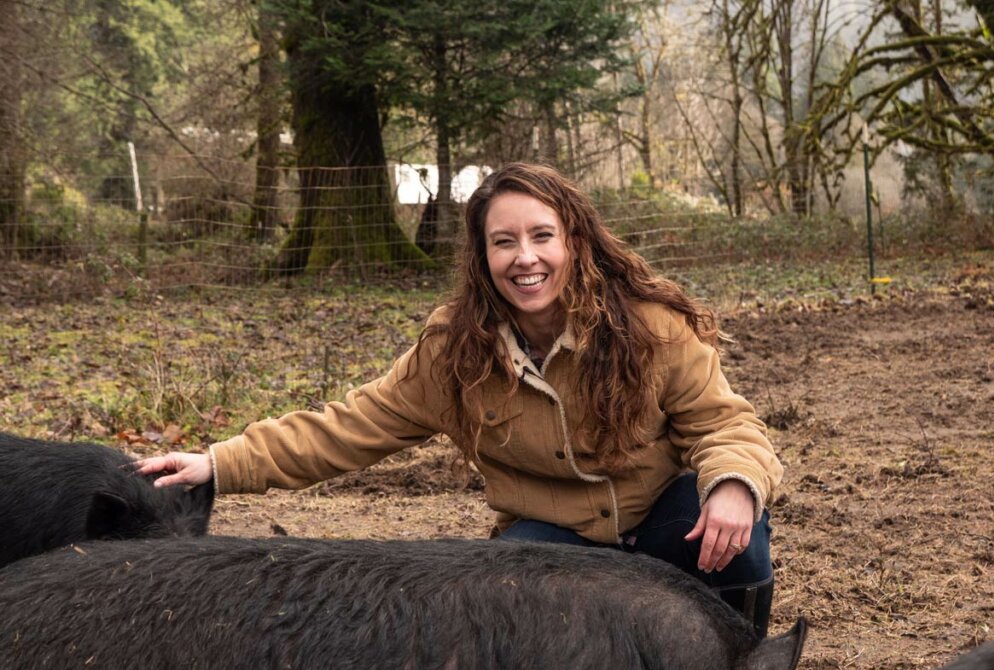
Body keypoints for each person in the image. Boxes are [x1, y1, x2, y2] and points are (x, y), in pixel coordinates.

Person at [138, 163, 783, 637]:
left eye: (541, 236)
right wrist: (219, 463)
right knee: (501, 592)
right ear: (481, 255)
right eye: (504, 242)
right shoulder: (456, 352)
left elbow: (727, 423)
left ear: (574, 243)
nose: (524, 259)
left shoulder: (647, 327)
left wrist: (733, 484)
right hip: (555, 537)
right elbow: (348, 426)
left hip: (663, 520)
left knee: (742, 539)